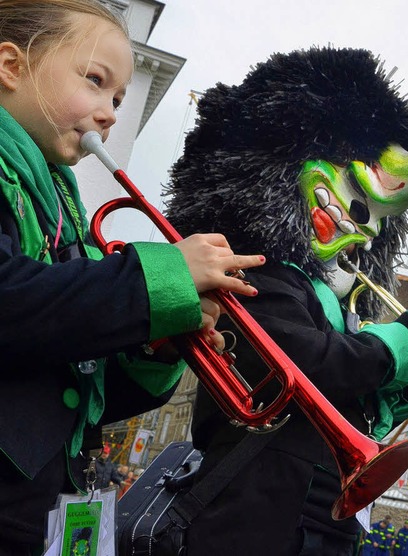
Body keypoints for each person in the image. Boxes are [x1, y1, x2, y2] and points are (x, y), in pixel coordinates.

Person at [166, 46, 408, 555]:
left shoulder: (334, 303)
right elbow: (302, 362)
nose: (363, 226)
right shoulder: (259, 274)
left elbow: (335, 401)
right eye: (356, 195)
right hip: (254, 514)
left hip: (321, 514)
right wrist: (394, 350)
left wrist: (393, 390)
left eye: (377, 218)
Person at [0, 1, 264, 554]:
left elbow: (70, 384)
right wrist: (159, 278)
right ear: (10, 65)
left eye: (118, 98)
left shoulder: (58, 207)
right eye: (95, 82)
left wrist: (157, 345)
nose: (110, 112)